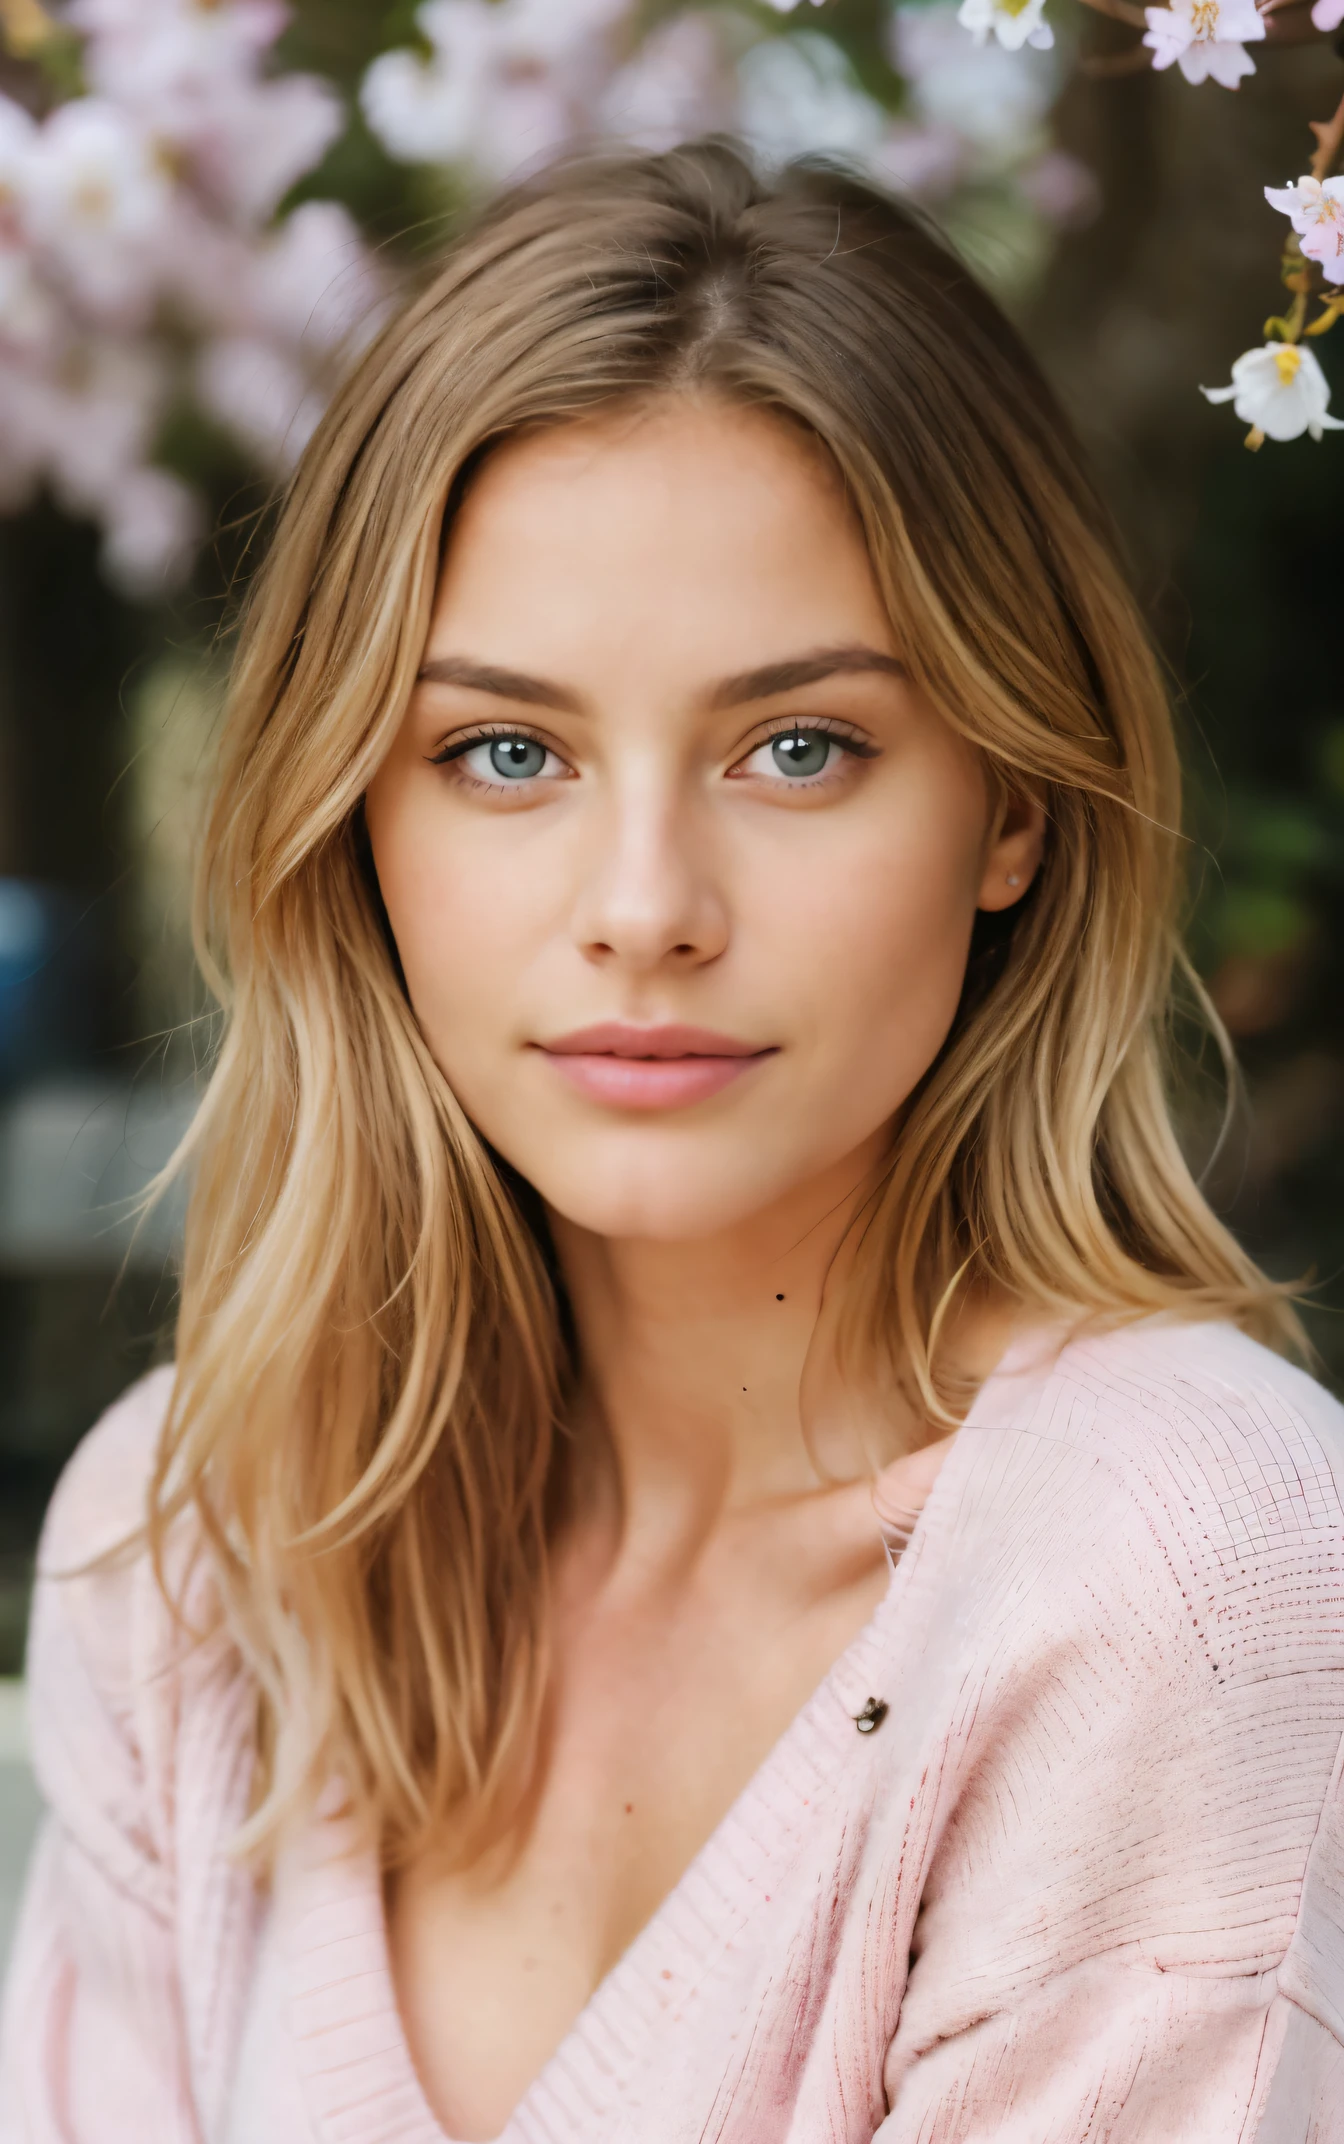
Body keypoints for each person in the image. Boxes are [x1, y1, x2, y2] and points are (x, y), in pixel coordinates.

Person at [1, 139, 1341, 2143]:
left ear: (1014, 809)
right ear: (354, 819)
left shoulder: (1179, 1573)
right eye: (504, 753)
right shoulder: (195, 1552)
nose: (645, 903)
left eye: (799, 748)